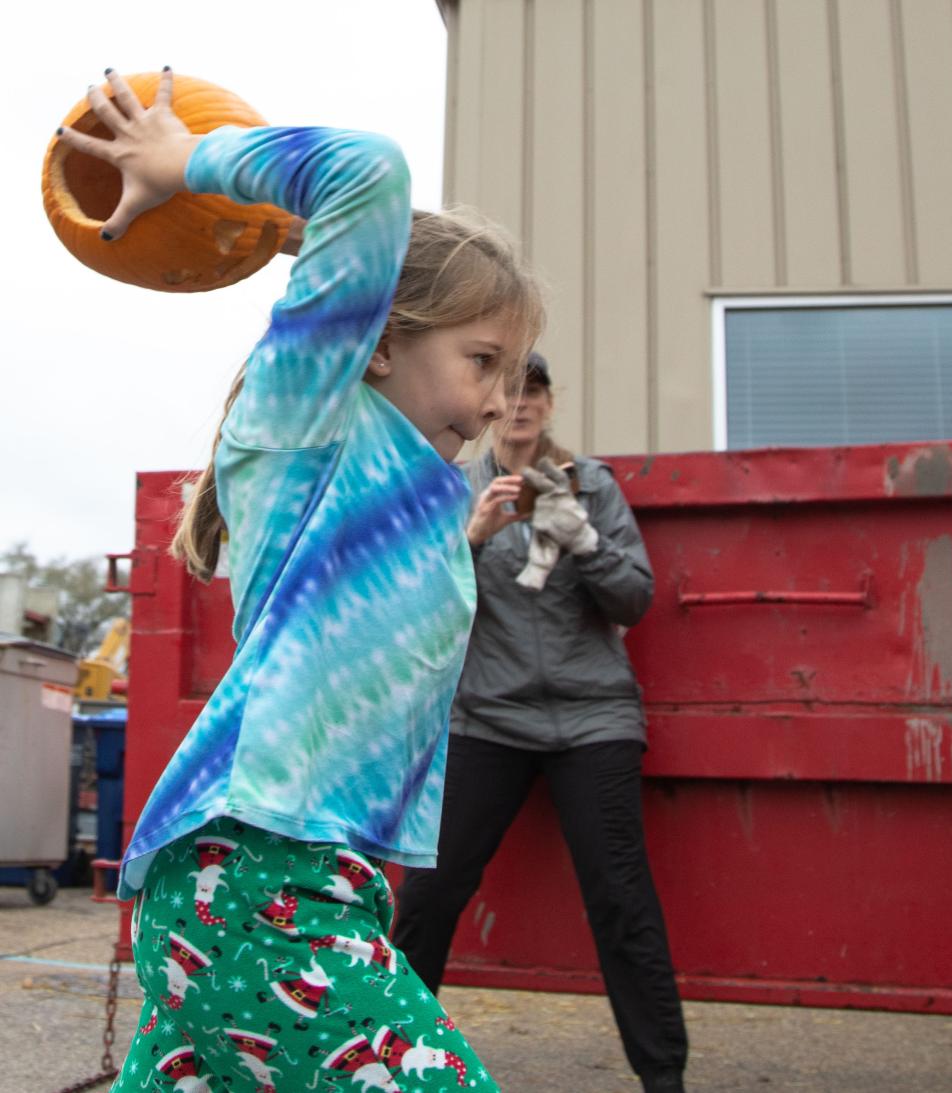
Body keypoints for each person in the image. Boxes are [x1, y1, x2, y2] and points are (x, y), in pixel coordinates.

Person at [58, 68, 543, 1091]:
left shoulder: (409, 490)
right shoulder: (307, 422)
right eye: (484, 360)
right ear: (376, 345)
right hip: (261, 875)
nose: (502, 401)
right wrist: (181, 163)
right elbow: (364, 173)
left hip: (320, 880)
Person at [392, 355, 690, 1093]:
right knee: (428, 893)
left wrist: (582, 537)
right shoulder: (454, 485)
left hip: (593, 716)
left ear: (550, 403)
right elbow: (420, 610)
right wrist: (476, 535)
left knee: (621, 896)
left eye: (535, 390)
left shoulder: (593, 484)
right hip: (486, 715)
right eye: (509, 389)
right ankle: (385, 1058)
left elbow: (633, 601)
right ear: (490, 401)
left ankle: (664, 1077)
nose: (520, 403)